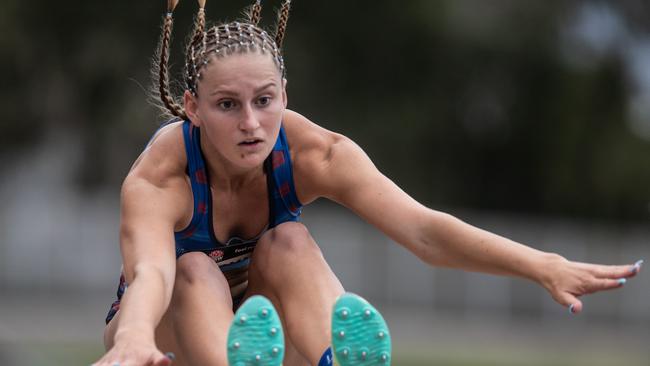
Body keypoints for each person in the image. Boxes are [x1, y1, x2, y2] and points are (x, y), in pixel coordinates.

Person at [92, 1, 644, 365]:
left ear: (285, 92)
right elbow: (152, 273)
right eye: (227, 106)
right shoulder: (161, 176)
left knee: (289, 241)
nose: (252, 124)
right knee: (194, 269)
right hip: (162, 339)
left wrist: (541, 266)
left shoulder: (314, 153)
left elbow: (424, 232)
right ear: (191, 108)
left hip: (262, 329)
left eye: (264, 101)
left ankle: (338, 358)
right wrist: (136, 337)